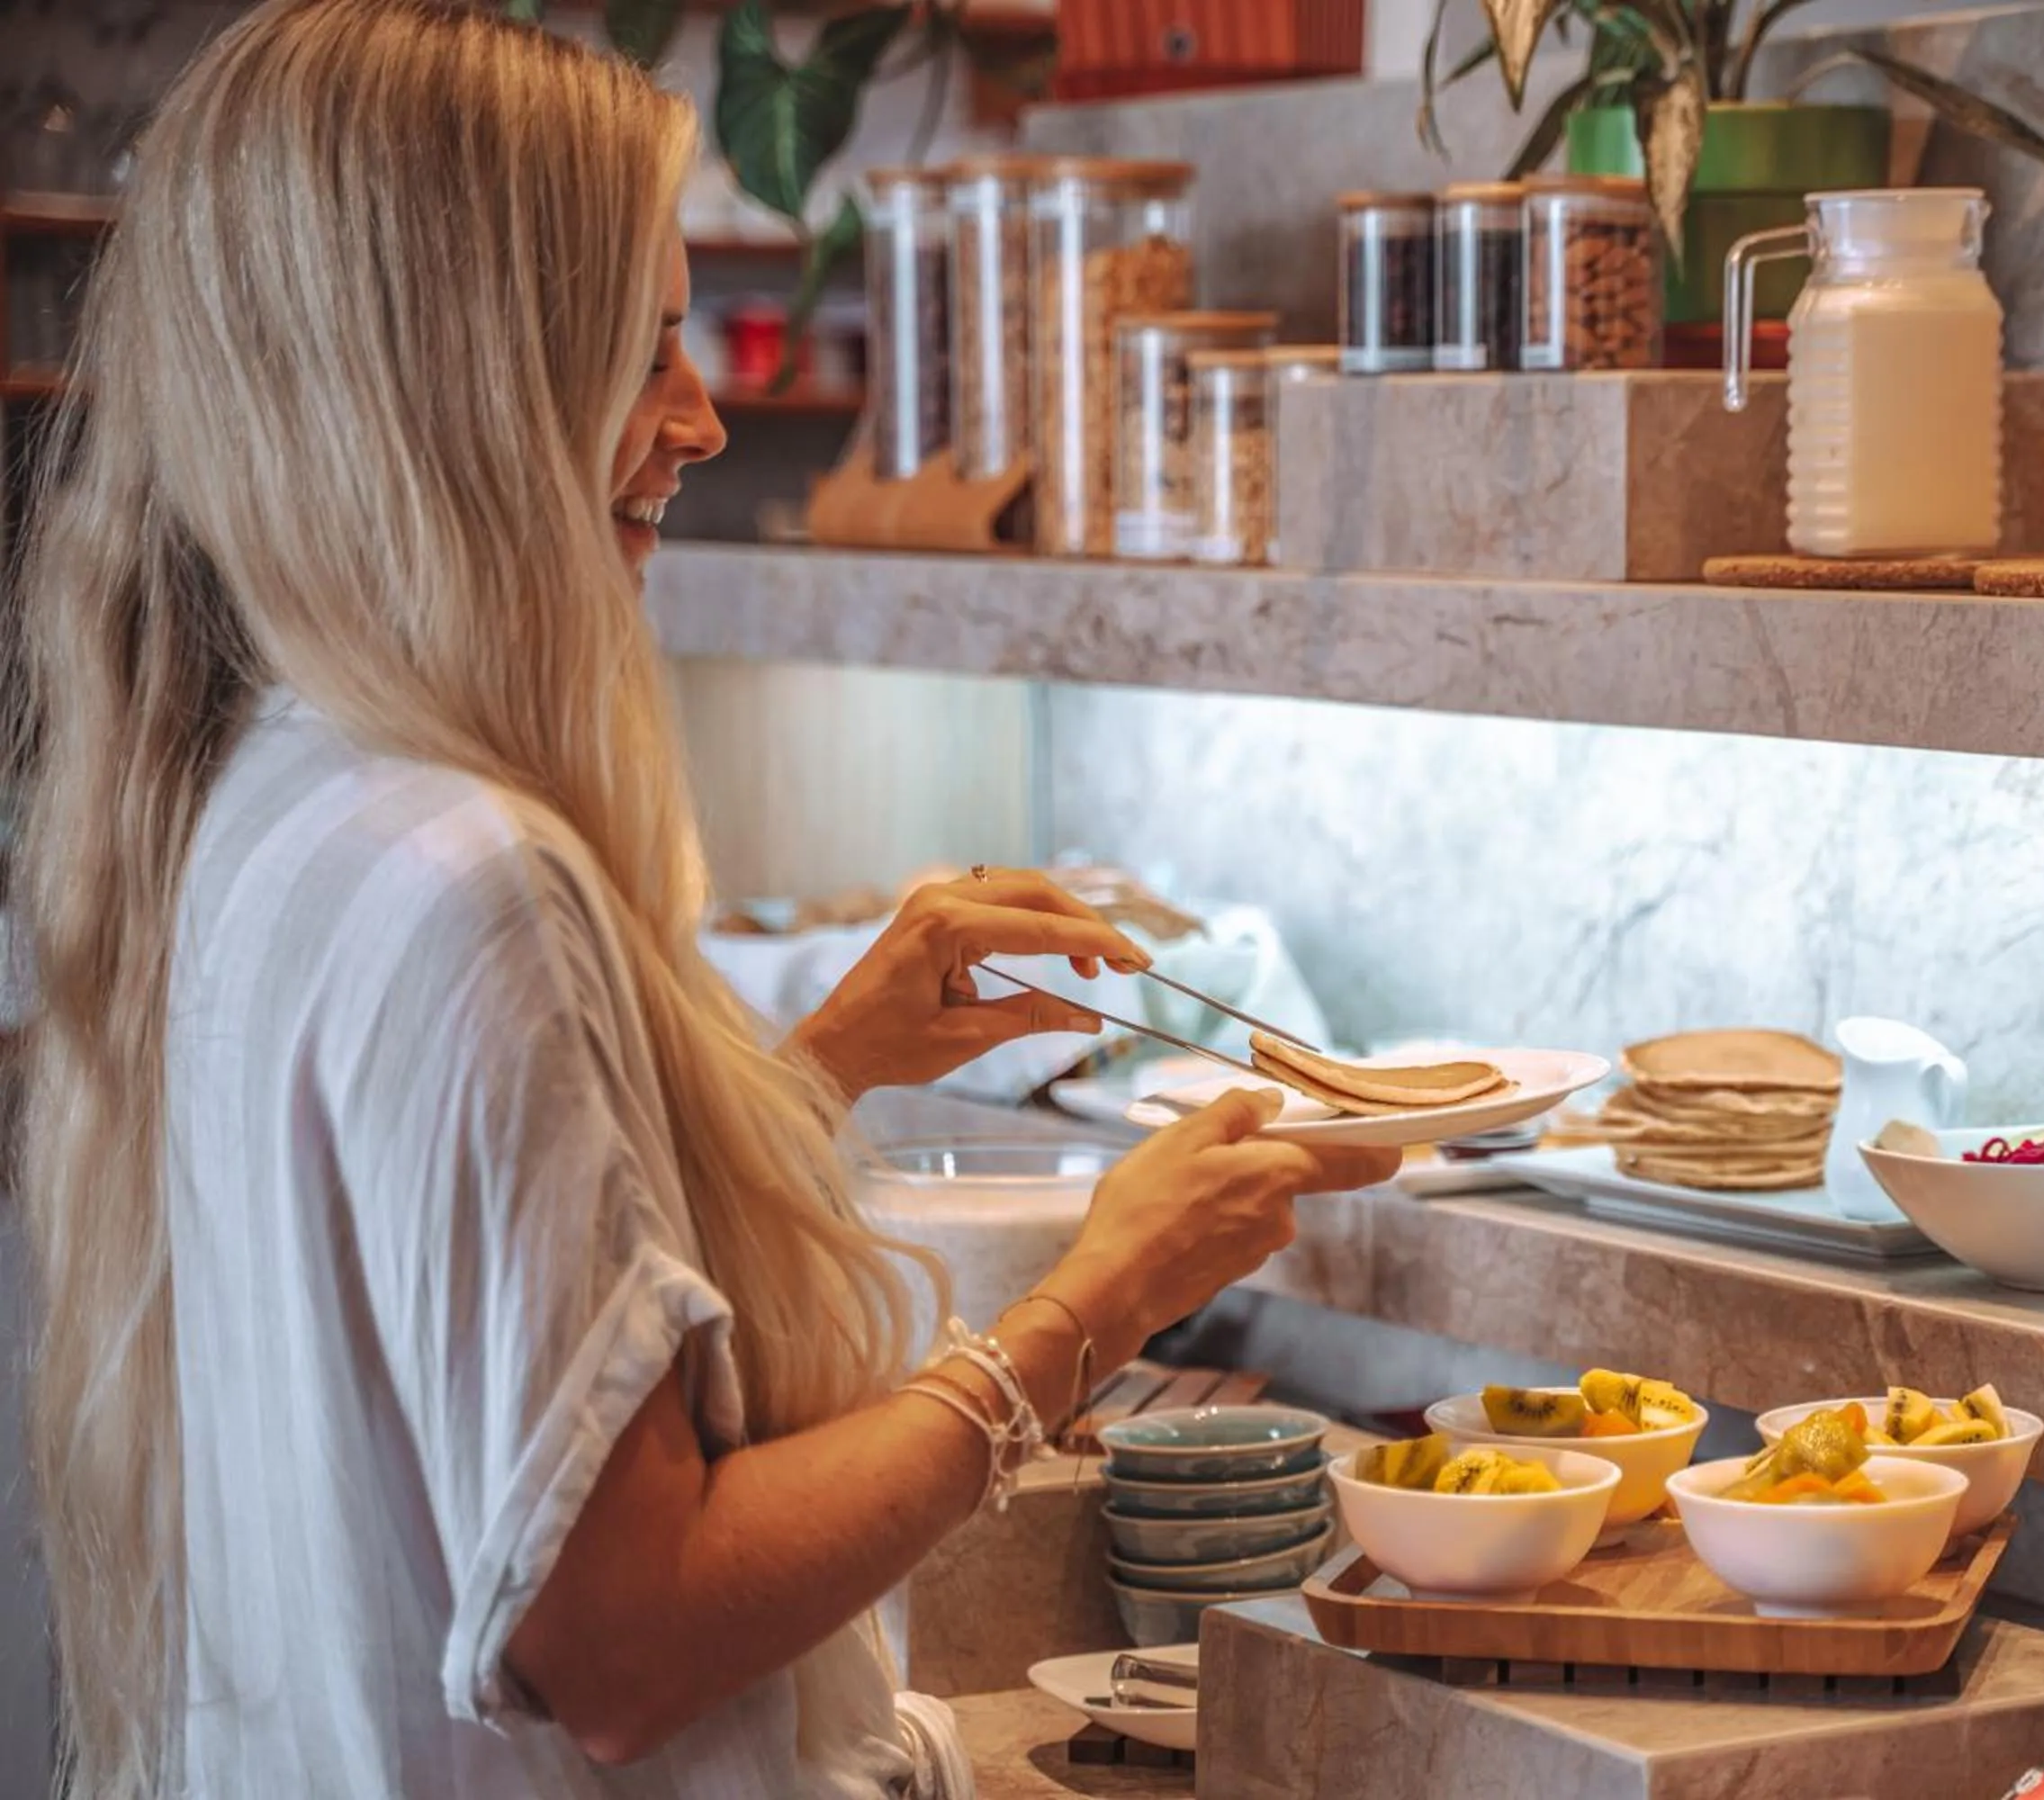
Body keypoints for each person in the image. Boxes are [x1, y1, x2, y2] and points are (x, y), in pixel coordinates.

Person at [5, 3, 1395, 1795]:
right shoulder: (471, 883)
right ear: (460, 382)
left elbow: (480, 1326)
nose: (704, 415)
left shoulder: (283, 787)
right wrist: (1091, 1309)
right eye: (640, 344)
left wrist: (808, 1071)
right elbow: (622, 1636)